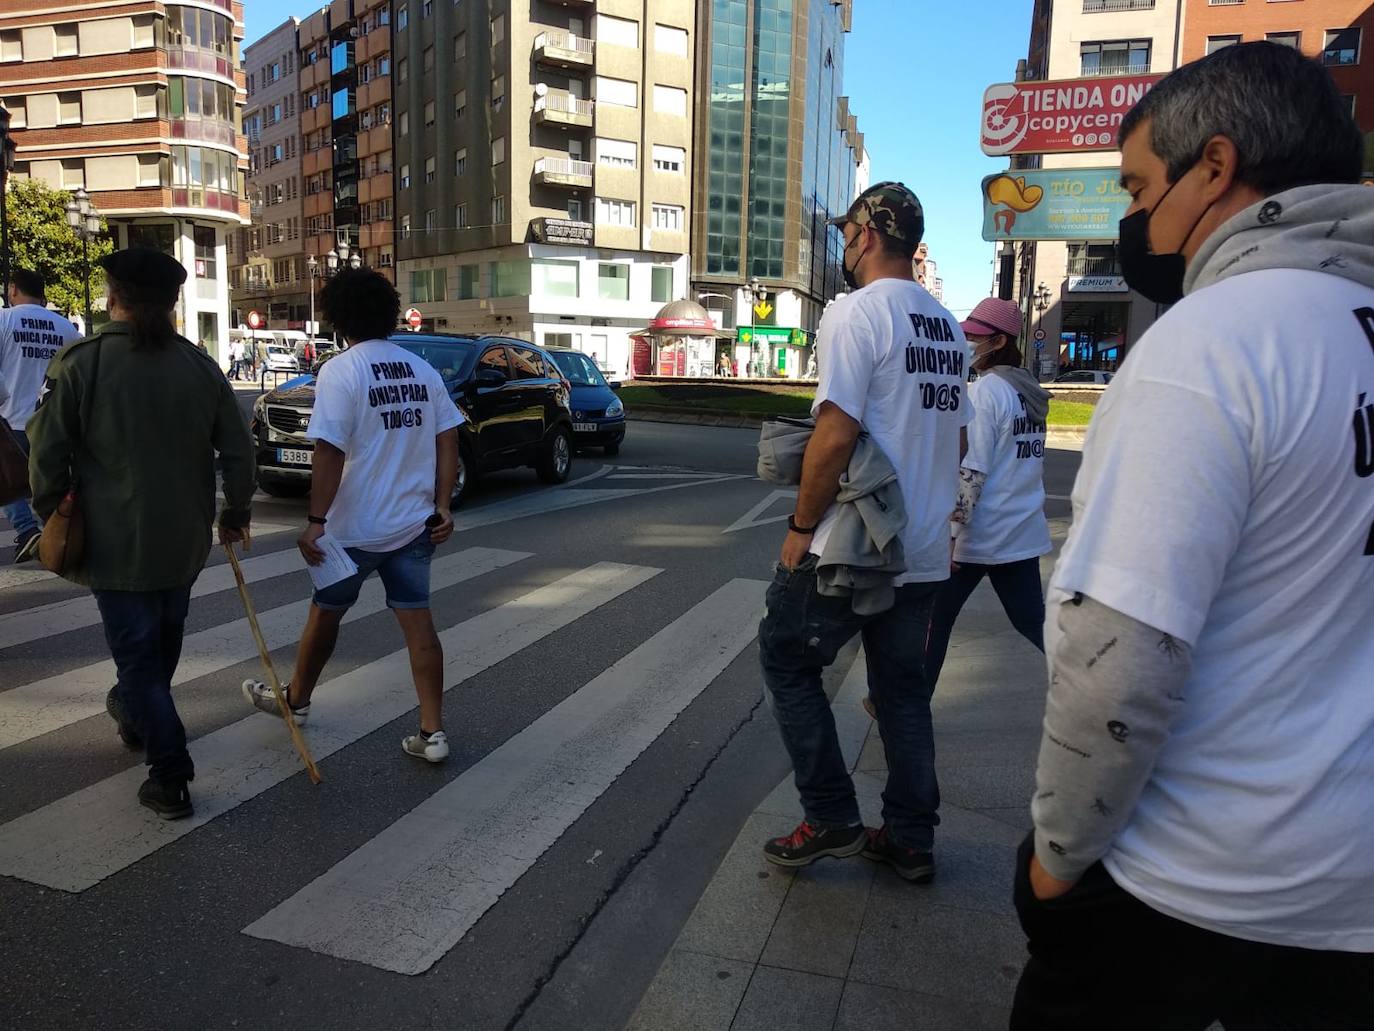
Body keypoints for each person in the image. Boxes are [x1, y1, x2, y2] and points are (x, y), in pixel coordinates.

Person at [1013, 42, 1374, 1027]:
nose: (1133, 218)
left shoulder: (1216, 341)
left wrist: (1053, 863)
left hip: (1194, 891)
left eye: (1136, 187)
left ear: (1213, 168)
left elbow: (1118, 661)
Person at [758, 182, 971, 883]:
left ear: (868, 235)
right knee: (904, 691)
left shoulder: (855, 313)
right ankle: (910, 837)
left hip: (855, 548)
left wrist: (799, 526)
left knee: (786, 656)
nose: (843, 248)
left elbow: (835, 433)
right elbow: (960, 439)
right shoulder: (946, 325)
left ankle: (831, 815)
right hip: (923, 551)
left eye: (846, 234)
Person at [27, 248, 255, 819]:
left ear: (114, 296)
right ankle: (135, 714)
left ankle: (171, 774)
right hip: (183, 540)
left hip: (115, 539)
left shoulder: (83, 362)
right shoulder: (199, 366)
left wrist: (53, 510)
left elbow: (45, 452)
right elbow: (239, 449)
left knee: (138, 661)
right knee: (161, 644)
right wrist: (235, 513)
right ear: (175, 302)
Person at [242, 268, 462, 763]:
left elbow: (328, 451)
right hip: (413, 526)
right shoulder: (420, 370)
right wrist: (442, 504)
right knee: (418, 624)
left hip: (351, 531)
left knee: (325, 615)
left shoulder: (341, 370)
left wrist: (316, 520)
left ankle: (297, 701)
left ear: (339, 320)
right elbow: (447, 437)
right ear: (390, 314)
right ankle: (432, 733)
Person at [927, 297, 1050, 685]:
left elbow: (971, 473)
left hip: (977, 539)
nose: (968, 343)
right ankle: (1105, 687)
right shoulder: (1026, 391)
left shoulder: (986, 393)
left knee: (932, 624)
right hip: (1021, 534)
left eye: (975, 337)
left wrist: (948, 539)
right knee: (1037, 625)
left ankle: (897, 708)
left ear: (998, 342)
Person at [0, 270, 81, 563]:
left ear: (12, 290)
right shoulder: (66, 328)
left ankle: (26, 530)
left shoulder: (4, 320)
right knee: (51, 481)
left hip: (12, 420)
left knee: (9, 480)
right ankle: (56, 531)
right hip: (54, 420)